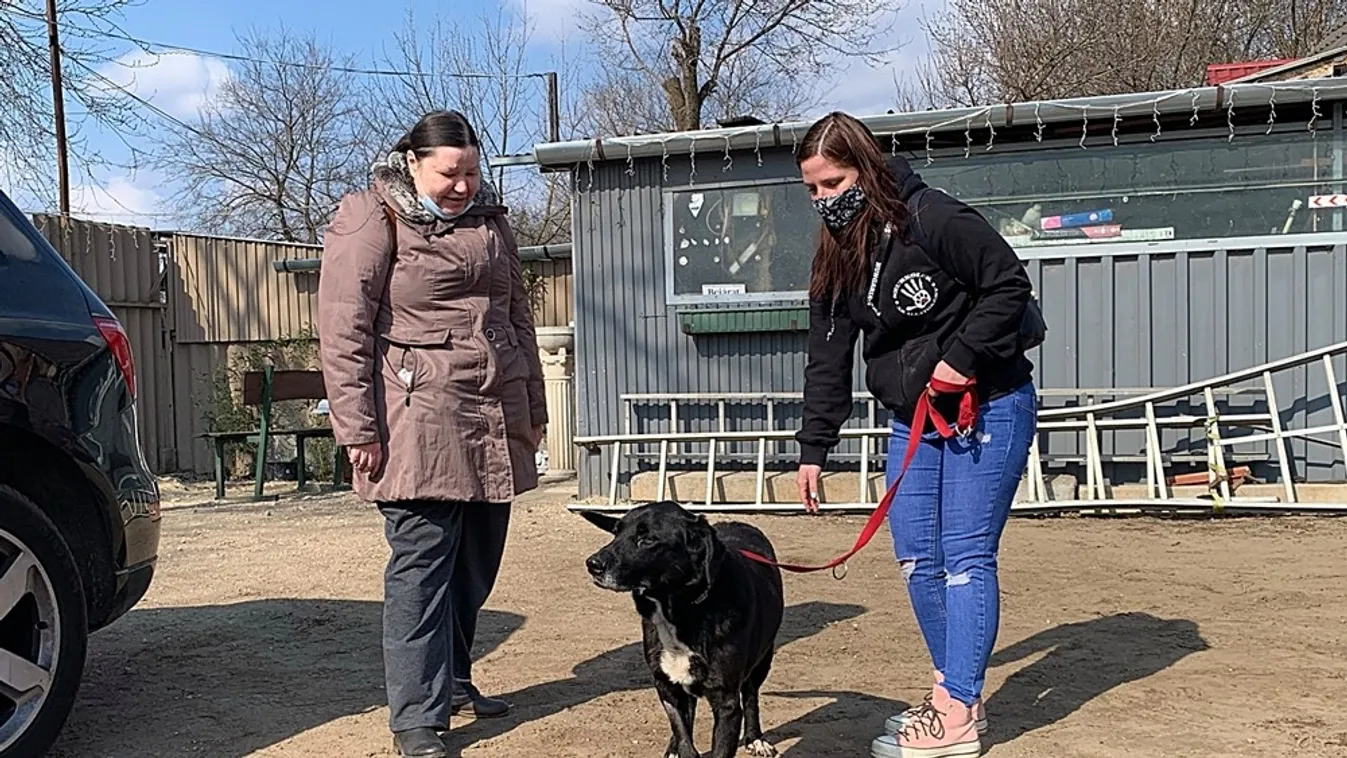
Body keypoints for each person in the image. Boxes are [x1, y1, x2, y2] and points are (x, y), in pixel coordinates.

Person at [793, 112, 1038, 758]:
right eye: (812, 189)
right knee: (915, 557)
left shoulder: (933, 217)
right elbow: (827, 356)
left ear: (866, 170)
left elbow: (1007, 286)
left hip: (988, 402)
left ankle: (955, 713)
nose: (823, 199)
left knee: (965, 554)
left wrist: (959, 360)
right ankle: (954, 694)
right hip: (912, 418)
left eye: (833, 183)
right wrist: (814, 448)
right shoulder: (835, 253)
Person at [317, 110, 546, 758]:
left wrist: (532, 404)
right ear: (412, 163)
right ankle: (416, 717)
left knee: (477, 561)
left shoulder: (491, 219)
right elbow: (343, 330)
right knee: (420, 572)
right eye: (449, 173)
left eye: (471, 171)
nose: (462, 186)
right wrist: (356, 427)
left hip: (492, 413)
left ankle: (455, 679)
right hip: (416, 418)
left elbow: (517, 315)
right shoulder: (371, 216)